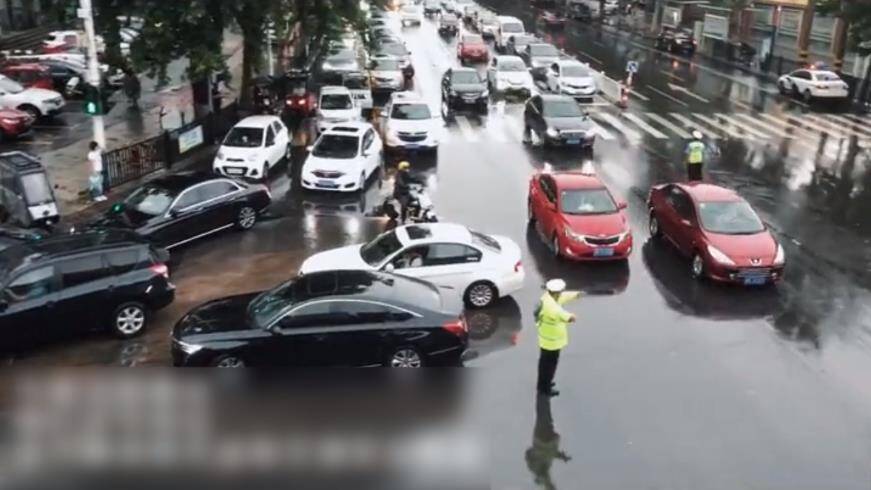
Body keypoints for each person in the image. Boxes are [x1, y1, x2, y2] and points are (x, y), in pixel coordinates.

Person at [535, 279, 581, 397]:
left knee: (544, 364)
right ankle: (545, 388)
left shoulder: (547, 297)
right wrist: (572, 316)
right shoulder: (552, 308)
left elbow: (563, 297)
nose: (562, 293)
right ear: (556, 292)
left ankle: (542, 384)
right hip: (552, 341)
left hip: (546, 338)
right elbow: (568, 317)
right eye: (560, 291)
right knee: (550, 365)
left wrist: (576, 294)